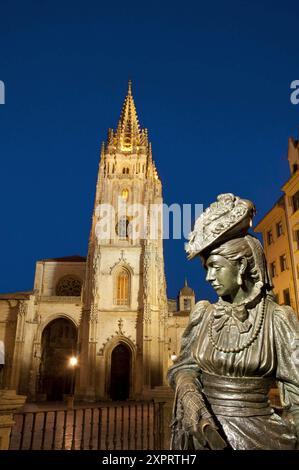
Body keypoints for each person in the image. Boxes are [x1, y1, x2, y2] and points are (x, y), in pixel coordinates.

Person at [167, 193, 299, 450]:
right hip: (200, 439)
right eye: (206, 269)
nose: (208, 278)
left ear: (240, 267)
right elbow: (183, 367)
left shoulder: (277, 319)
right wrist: (190, 395)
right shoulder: (203, 314)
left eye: (215, 267)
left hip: (262, 439)